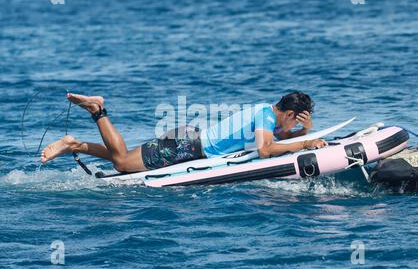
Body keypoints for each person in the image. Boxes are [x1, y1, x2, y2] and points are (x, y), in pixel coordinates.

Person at [41, 91, 327, 172]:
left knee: (125, 158)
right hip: (187, 146)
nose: (291, 126)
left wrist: (304, 132)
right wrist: (305, 143)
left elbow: (275, 139)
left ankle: (74, 145)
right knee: (122, 163)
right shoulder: (265, 116)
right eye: (296, 120)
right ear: (289, 113)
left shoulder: (268, 114)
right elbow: (265, 150)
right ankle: (97, 110)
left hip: (188, 139)